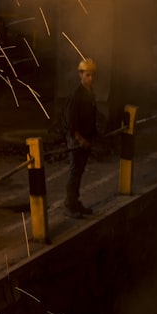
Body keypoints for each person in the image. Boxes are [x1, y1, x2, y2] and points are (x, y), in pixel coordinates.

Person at [63, 57, 99, 218]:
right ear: (80, 74)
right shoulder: (76, 95)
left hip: (85, 139)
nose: (90, 79)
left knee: (79, 171)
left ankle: (75, 202)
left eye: (92, 75)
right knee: (75, 171)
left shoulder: (89, 92)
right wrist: (80, 139)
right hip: (77, 140)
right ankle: (70, 205)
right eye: (87, 75)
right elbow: (71, 121)